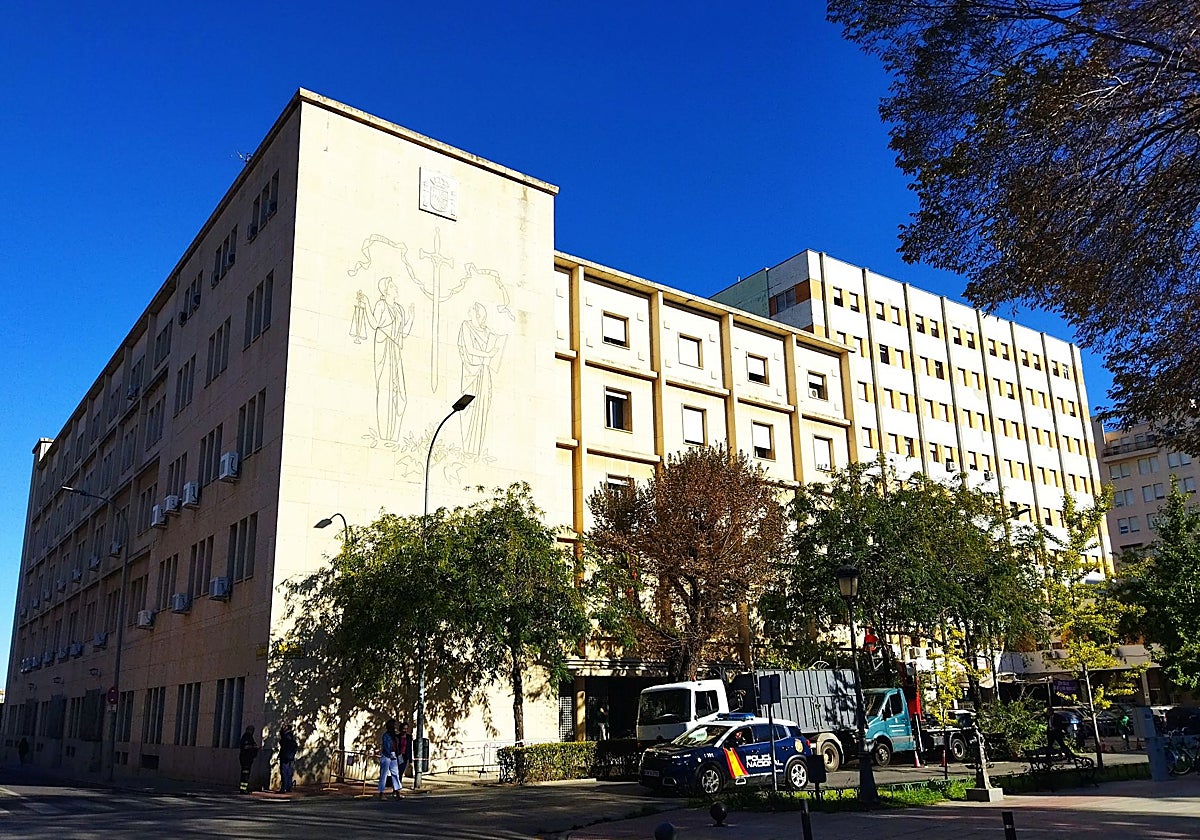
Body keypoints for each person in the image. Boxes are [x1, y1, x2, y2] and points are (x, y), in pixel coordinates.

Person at [378, 719, 402, 799]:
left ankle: (397, 791)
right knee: (384, 774)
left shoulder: (394, 736)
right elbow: (386, 746)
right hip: (386, 755)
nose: (395, 727)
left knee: (395, 773)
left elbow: (397, 745)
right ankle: (381, 793)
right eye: (394, 725)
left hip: (393, 754)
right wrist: (389, 754)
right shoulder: (386, 735)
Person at [278, 722, 298, 793]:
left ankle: (284, 788)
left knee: (284, 772)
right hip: (290, 757)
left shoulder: (287, 736)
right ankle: (289, 787)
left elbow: (284, 745)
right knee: (289, 773)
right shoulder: (292, 736)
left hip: (285, 757)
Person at [239, 725, 260, 793]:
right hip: (246, 758)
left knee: (246, 774)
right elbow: (245, 746)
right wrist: (253, 747)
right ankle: (243, 789)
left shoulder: (249, 737)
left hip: (247, 758)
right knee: (245, 774)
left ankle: (244, 788)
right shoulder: (246, 737)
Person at [395, 721, 413, 786]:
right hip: (399, 755)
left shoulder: (409, 737)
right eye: (404, 729)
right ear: (401, 729)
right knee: (397, 771)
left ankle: (398, 784)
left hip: (405, 756)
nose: (405, 730)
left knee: (401, 771)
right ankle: (397, 785)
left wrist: (410, 761)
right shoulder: (397, 737)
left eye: (406, 729)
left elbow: (410, 748)